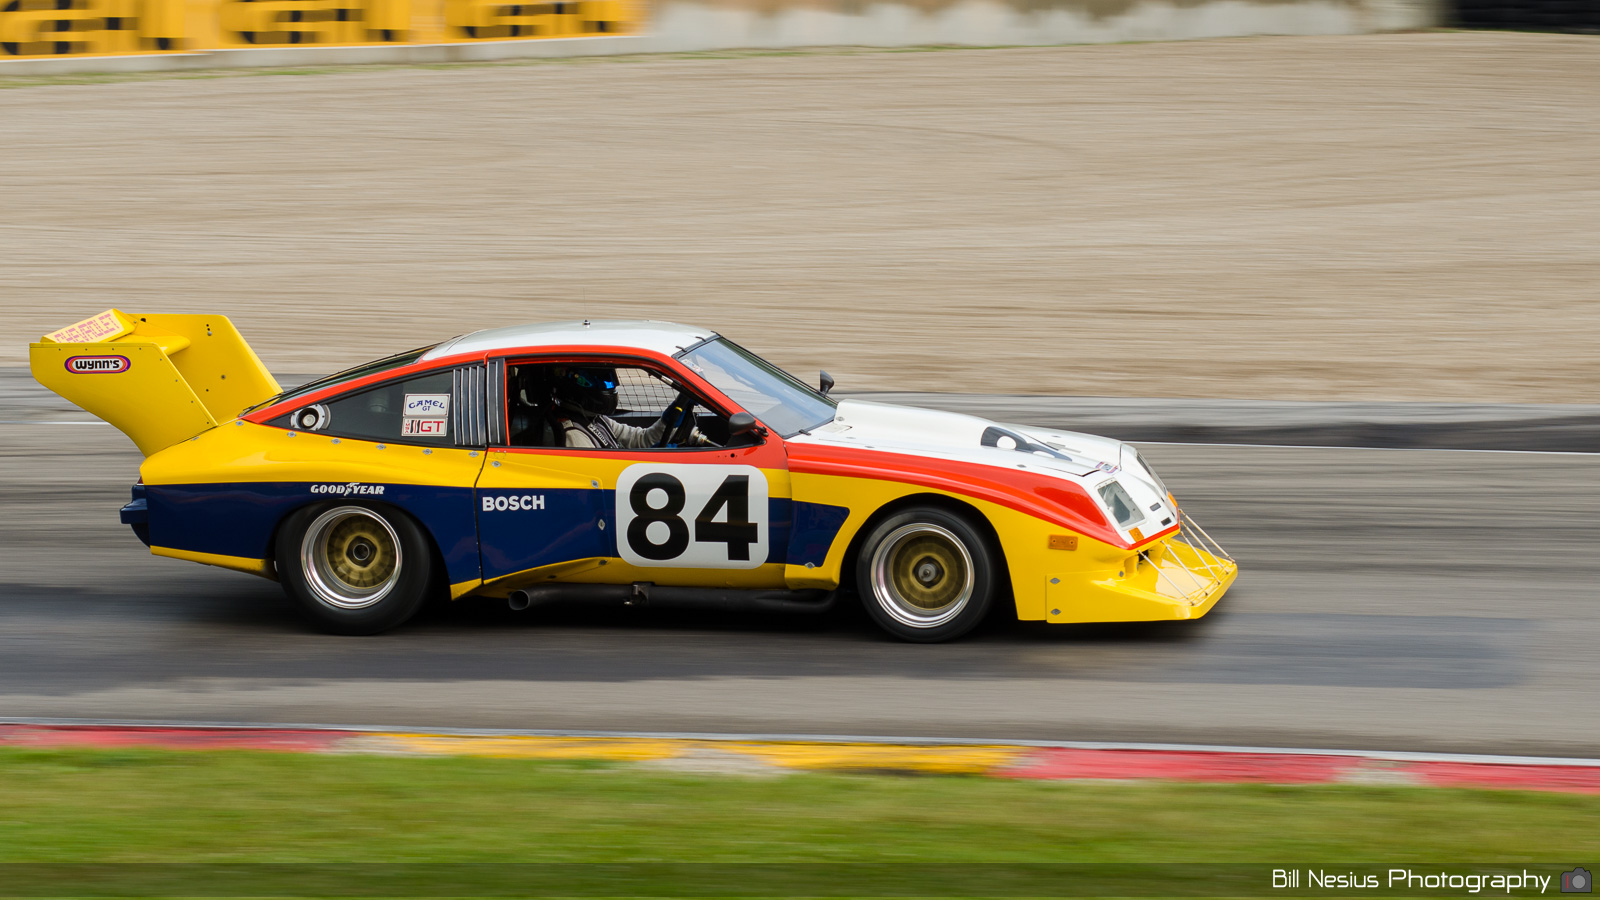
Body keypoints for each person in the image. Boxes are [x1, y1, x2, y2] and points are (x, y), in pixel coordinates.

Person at [548, 367, 714, 449]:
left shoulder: (595, 419)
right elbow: (604, 480)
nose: (610, 387)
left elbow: (641, 440)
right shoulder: (573, 435)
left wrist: (670, 418)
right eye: (602, 381)